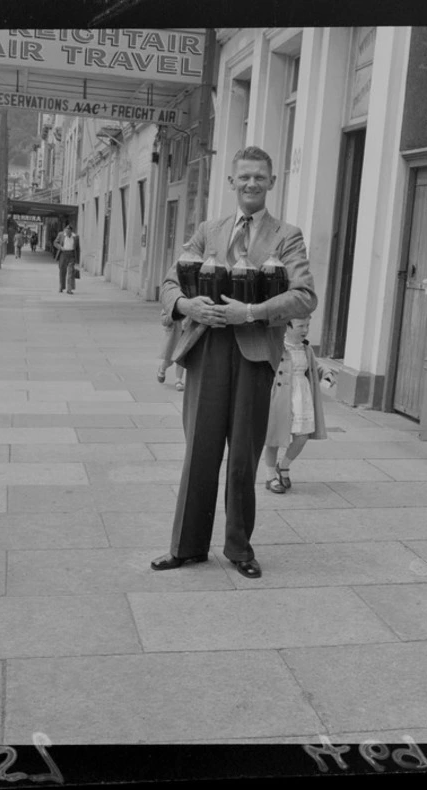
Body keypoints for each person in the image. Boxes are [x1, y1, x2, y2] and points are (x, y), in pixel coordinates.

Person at [151, 146, 317, 579]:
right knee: (199, 452)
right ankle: (187, 547)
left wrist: (252, 313)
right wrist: (187, 305)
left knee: (243, 455)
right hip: (206, 350)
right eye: (243, 177)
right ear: (231, 182)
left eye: (259, 177)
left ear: (272, 182)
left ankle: (239, 549)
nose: (251, 184)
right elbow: (170, 280)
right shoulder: (209, 230)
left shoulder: (287, 235)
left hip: (253, 353)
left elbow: (304, 296)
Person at [262, 317, 336, 493]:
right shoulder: (277, 346)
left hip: (301, 396)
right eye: (300, 326)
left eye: (307, 325)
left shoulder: (306, 348)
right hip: (280, 396)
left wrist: (326, 373)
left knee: (302, 437)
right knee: (274, 438)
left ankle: (284, 466)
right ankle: (270, 476)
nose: (305, 330)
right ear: (287, 327)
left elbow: (315, 365)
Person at [156, 308, 186, 391]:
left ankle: (178, 380)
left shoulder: (188, 302)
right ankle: (162, 368)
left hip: (184, 335)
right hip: (173, 336)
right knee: (169, 361)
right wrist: (173, 316)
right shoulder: (169, 304)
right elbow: (164, 321)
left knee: (180, 359)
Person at [54, 224, 80, 294]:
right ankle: (61, 287)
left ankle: (69, 289)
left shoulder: (76, 237)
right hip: (63, 254)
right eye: (66, 231)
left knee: (70, 272)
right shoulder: (61, 234)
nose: (67, 233)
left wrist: (77, 260)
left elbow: (77, 248)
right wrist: (60, 247)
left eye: (69, 231)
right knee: (62, 271)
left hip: (71, 255)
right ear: (65, 230)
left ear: (71, 231)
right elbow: (55, 243)